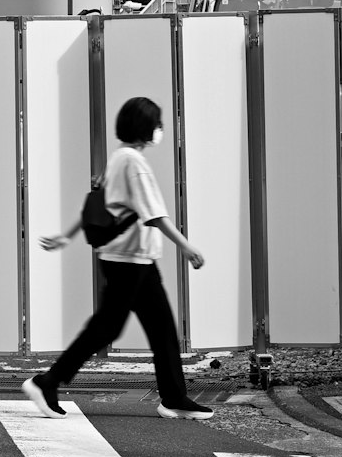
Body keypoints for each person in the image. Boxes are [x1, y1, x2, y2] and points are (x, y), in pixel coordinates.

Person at [23, 96, 213, 421]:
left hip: (132, 258)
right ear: (145, 128)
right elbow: (153, 215)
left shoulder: (119, 158)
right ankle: (47, 381)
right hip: (129, 259)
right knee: (108, 327)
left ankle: (174, 397)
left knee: (161, 330)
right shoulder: (134, 163)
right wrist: (186, 246)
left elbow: (99, 204)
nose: (160, 129)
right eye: (157, 123)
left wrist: (67, 235)